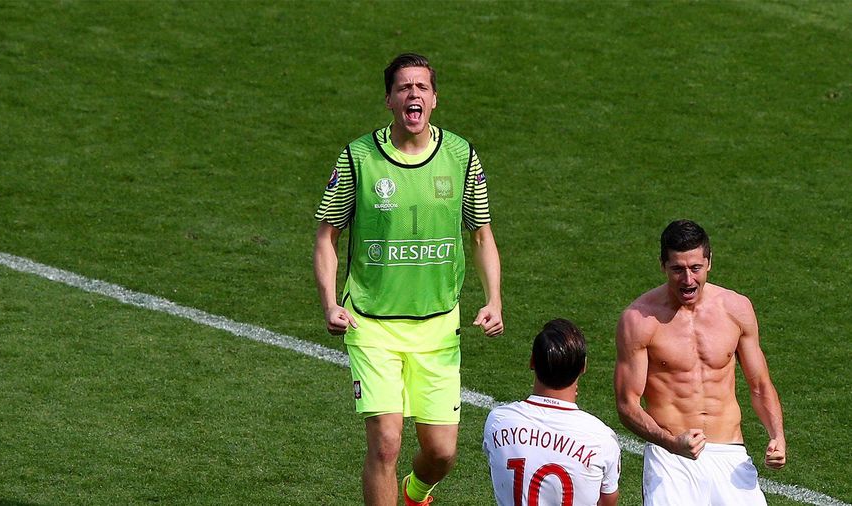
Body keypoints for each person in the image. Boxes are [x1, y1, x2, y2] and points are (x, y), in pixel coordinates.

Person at [313, 53, 503, 506]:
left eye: (421, 87)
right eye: (403, 88)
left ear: (435, 99)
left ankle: (416, 494)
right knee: (386, 444)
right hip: (372, 323)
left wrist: (494, 299)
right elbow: (327, 236)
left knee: (441, 453)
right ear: (389, 100)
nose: (413, 94)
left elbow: (480, 234)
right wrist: (328, 303)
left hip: (438, 326)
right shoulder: (359, 157)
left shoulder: (461, 156)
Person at [614, 219, 786, 505]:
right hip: (670, 459)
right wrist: (670, 442)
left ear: (709, 263)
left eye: (695, 268)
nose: (688, 280)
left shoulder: (736, 309)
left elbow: (759, 385)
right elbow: (626, 404)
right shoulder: (639, 320)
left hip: (730, 453)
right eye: (677, 269)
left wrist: (777, 436)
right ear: (663, 266)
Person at [484, 319, 621, 506]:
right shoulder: (602, 438)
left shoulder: (498, 421)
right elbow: (607, 502)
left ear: (532, 361)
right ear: (584, 367)